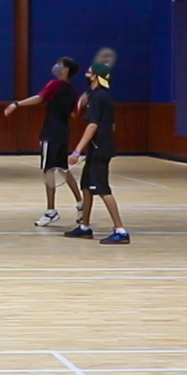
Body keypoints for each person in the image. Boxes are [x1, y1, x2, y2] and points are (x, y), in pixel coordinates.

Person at [4, 57, 85, 225]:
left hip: (51, 133)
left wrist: (16, 104)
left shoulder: (54, 85)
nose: (56, 66)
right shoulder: (72, 90)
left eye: (59, 65)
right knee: (63, 169)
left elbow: (40, 98)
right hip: (63, 133)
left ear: (65, 70)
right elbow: (73, 114)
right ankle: (80, 204)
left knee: (49, 171)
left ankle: (50, 211)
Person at [64, 61, 129, 244]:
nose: (86, 75)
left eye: (89, 72)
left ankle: (121, 231)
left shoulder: (99, 98)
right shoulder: (99, 96)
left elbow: (93, 125)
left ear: (95, 77)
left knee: (102, 189)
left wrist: (77, 151)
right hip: (98, 147)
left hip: (100, 149)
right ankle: (84, 227)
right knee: (86, 186)